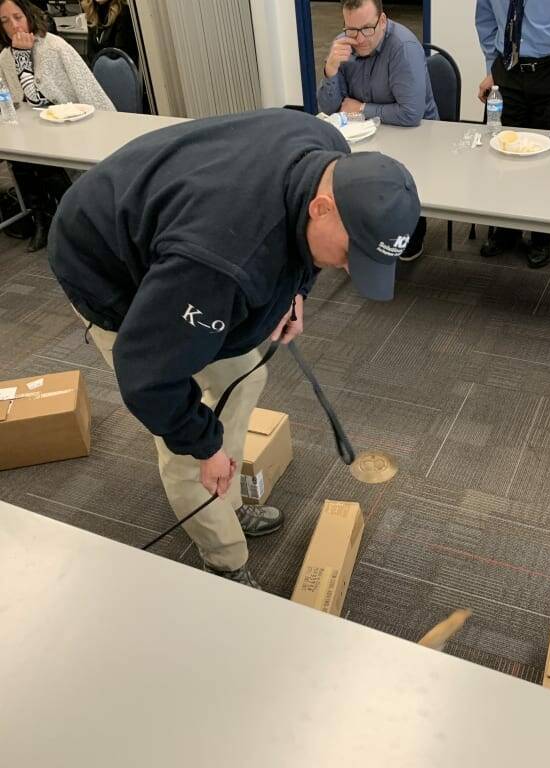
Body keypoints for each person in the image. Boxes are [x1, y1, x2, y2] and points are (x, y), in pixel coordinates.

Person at [48, 108, 420, 589]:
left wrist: (295, 290)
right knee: (185, 451)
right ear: (323, 208)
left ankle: (227, 493)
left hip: (175, 224)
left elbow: (289, 233)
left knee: (245, 372)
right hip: (104, 261)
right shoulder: (217, 264)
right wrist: (204, 447)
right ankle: (225, 561)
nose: (350, 270)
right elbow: (146, 376)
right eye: (352, 255)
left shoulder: (327, 147)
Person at [475, 0, 550, 268]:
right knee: (505, 154)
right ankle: (506, 229)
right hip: (508, 72)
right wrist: (492, 67)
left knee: (549, 161)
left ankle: (542, 235)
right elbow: (484, 19)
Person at [317, 0, 437, 262]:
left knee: (395, 185)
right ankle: (365, 232)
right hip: (366, 136)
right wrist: (330, 70)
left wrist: (359, 108)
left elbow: (410, 114)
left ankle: (407, 233)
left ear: (382, 21)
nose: (358, 39)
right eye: (351, 30)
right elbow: (330, 107)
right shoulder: (344, 43)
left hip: (414, 138)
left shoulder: (403, 48)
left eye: (367, 29)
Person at [0, 0, 114, 251]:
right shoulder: (5, 57)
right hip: (36, 131)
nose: (13, 26)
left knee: (47, 162)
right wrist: (17, 57)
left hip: (72, 127)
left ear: (29, 15)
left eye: (17, 17)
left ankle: (74, 223)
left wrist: (23, 59)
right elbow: (12, 100)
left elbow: (64, 95)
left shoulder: (54, 46)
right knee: (20, 158)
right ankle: (43, 218)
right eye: (5, 21)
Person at [81, 0, 139, 67]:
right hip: (98, 70)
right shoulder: (91, 12)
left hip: (118, 70)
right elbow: (90, 53)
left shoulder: (123, 13)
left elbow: (118, 53)